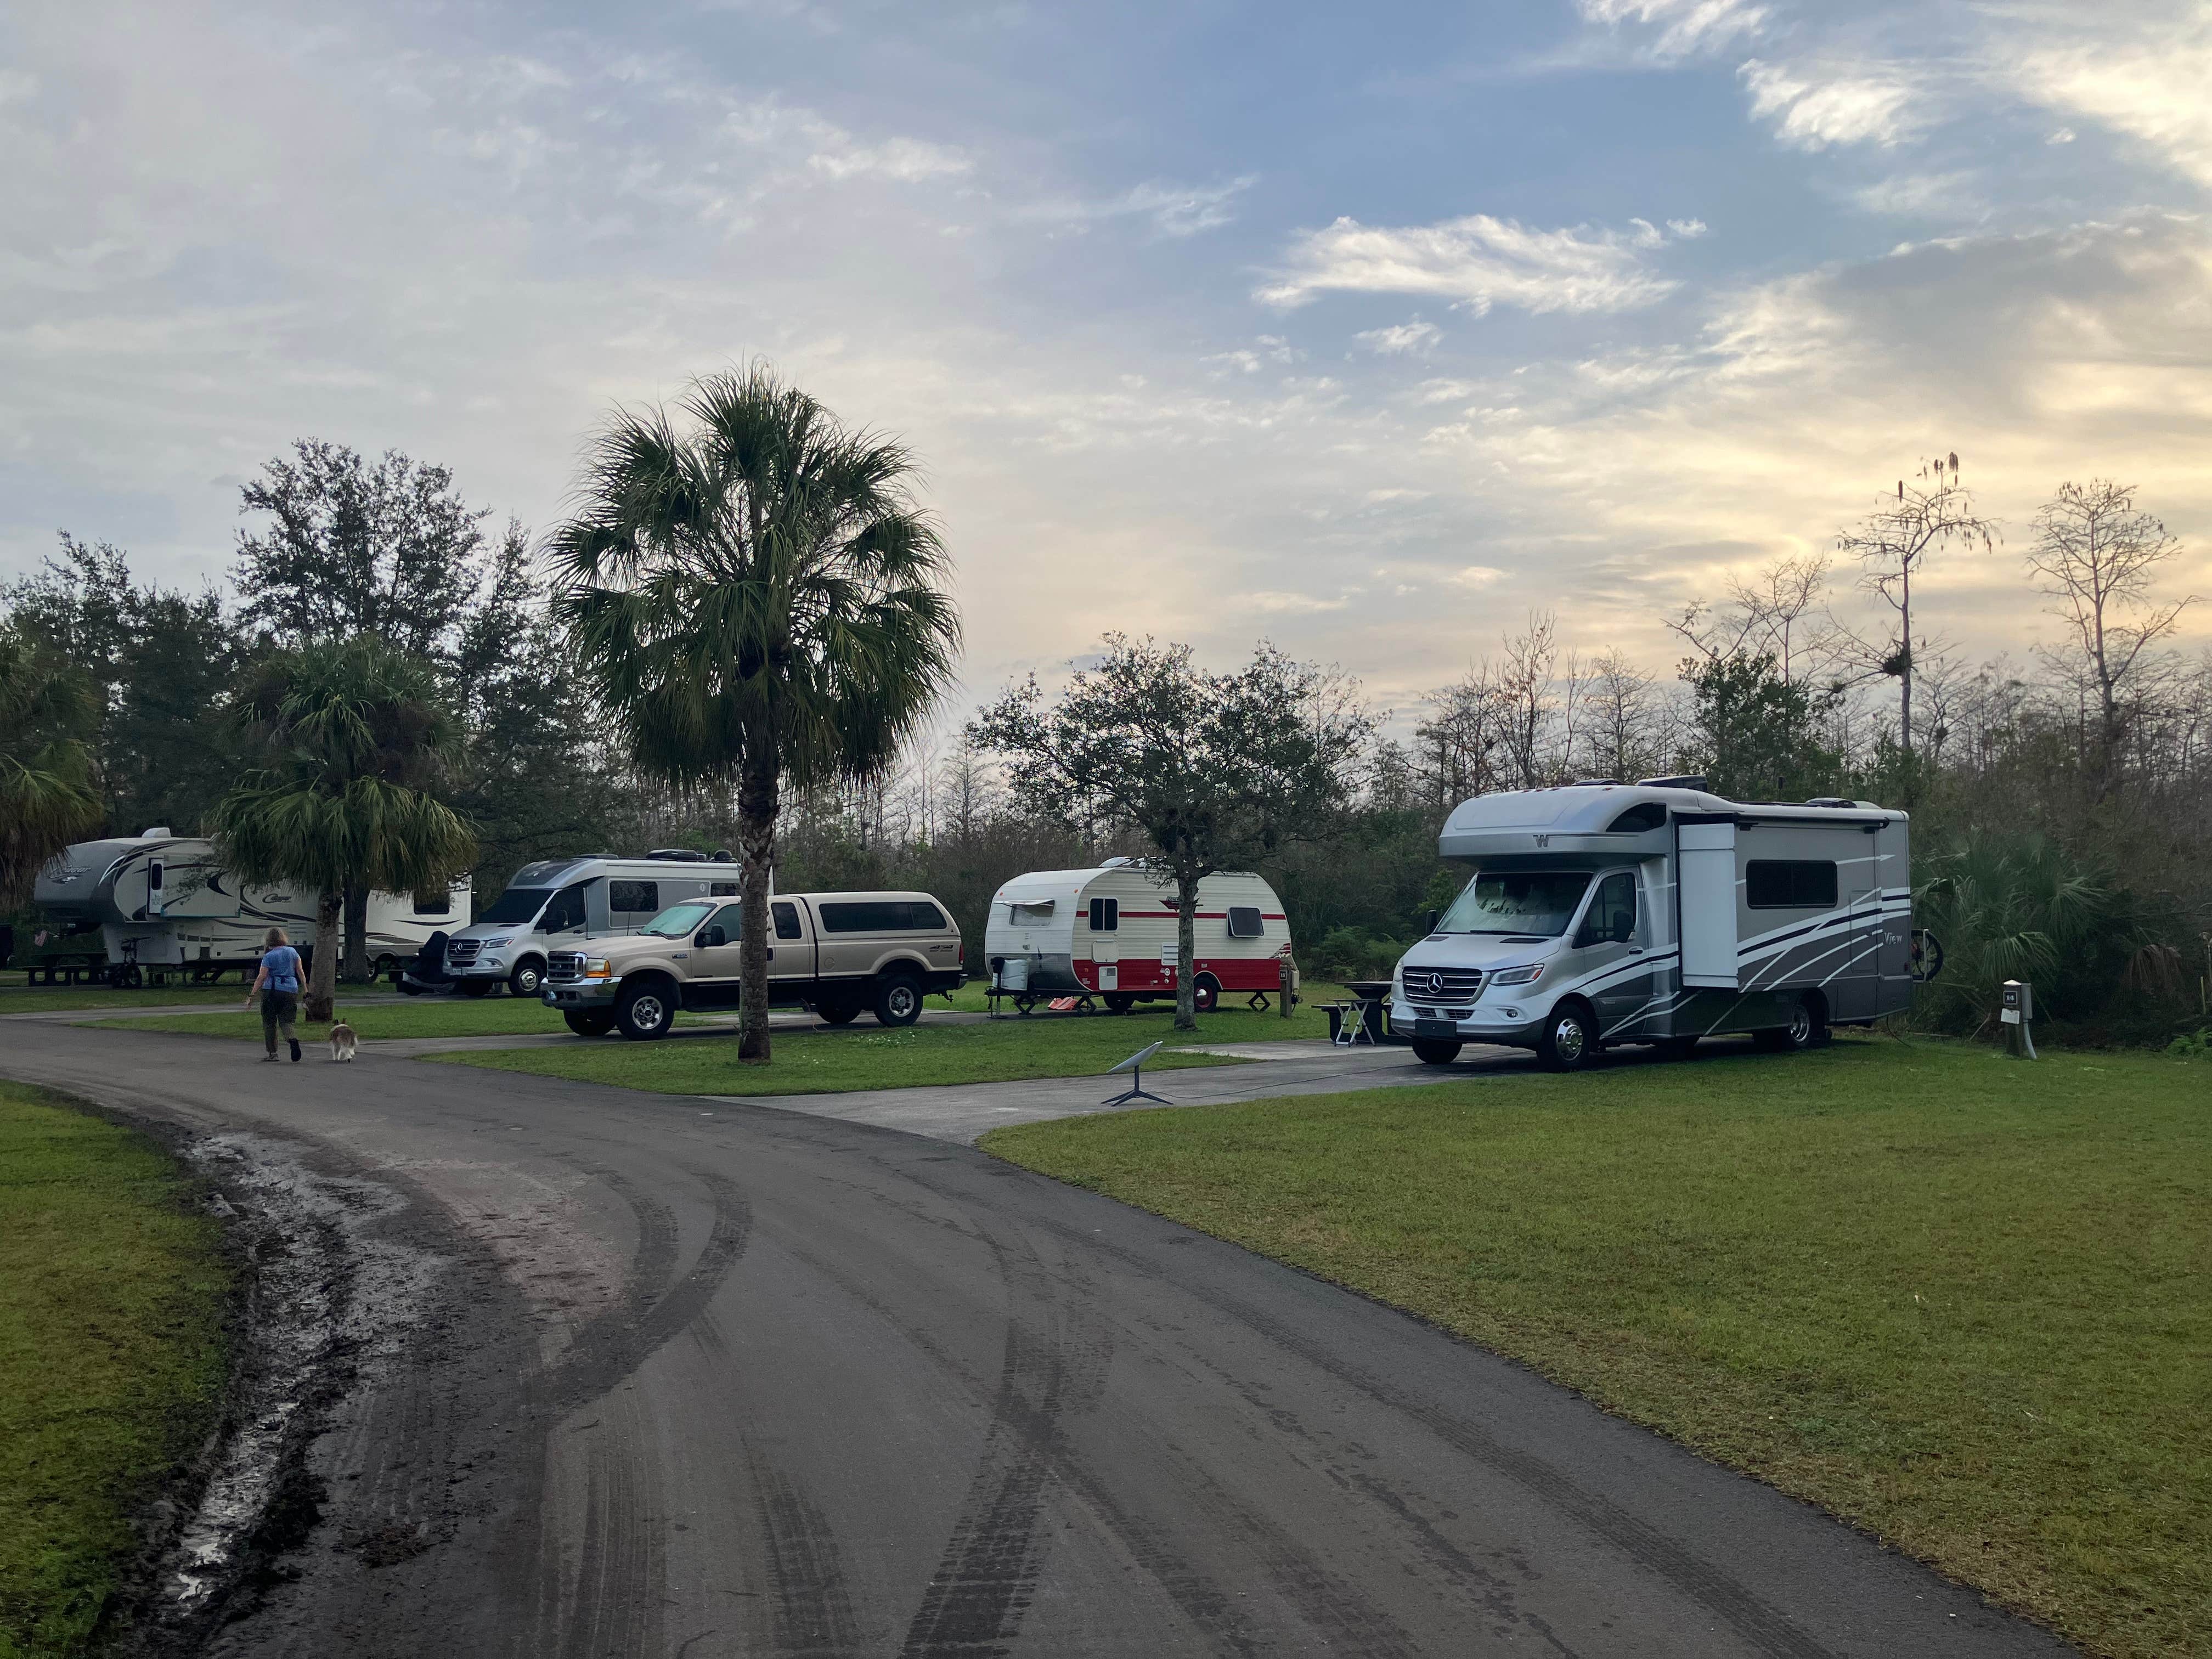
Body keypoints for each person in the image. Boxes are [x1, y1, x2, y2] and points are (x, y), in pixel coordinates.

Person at [245, 927, 304, 1063]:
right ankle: (292, 1039)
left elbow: (262, 976)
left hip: (272, 991)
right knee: (286, 1020)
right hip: (291, 989)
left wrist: (252, 995)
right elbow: (300, 972)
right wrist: (305, 989)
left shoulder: (269, 956)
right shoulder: (293, 952)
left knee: (270, 1022)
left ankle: (273, 1053)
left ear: (269, 940)